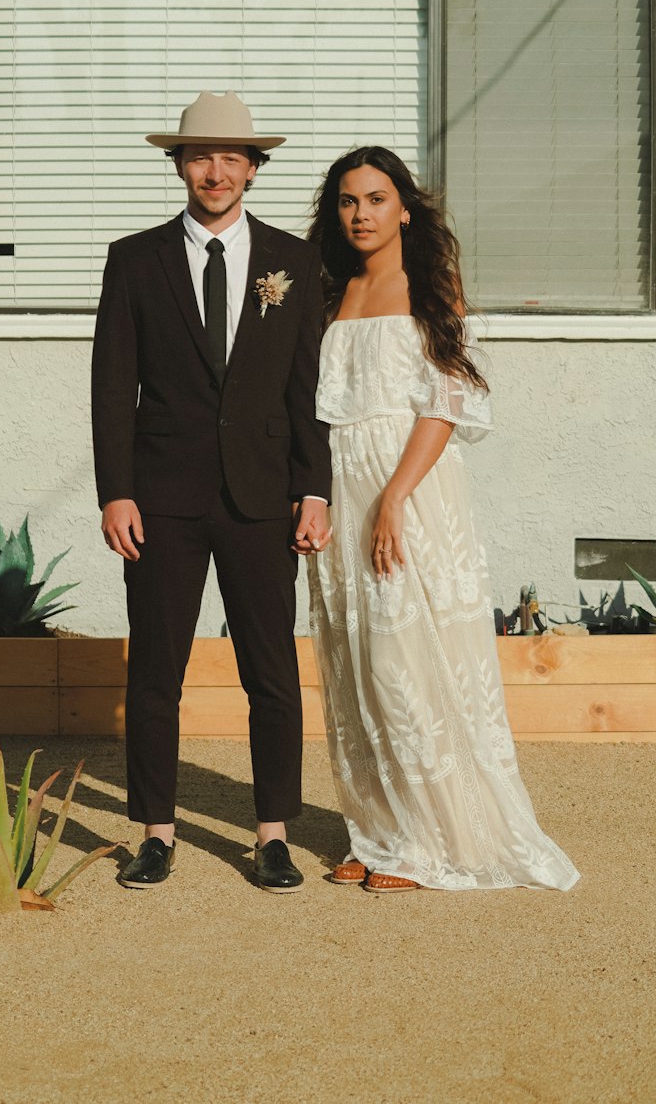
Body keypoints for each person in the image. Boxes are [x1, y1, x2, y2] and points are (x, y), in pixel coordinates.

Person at [306, 145, 579, 893]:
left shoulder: (430, 282)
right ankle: (381, 832)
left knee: (407, 660)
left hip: (410, 486)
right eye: (347, 201)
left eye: (376, 198)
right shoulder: (331, 289)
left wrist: (394, 497)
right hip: (342, 483)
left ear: (404, 207)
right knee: (356, 663)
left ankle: (434, 844)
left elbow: (448, 400)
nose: (360, 214)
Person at [92, 91, 332, 892]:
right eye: (201, 156)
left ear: (254, 169)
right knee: (155, 671)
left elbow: (307, 392)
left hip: (263, 498)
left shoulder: (293, 264)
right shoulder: (134, 258)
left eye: (233, 158)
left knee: (270, 671)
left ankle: (271, 834)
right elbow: (111, 386)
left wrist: (315, 490)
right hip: (160, 498)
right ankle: (156, 831)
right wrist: (116, 491)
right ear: (180, 166)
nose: (216, 171)